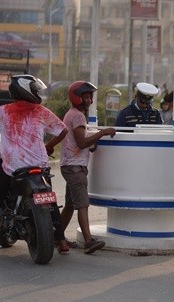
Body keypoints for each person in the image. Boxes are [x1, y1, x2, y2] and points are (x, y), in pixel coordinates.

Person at [0, 74, 69, 257]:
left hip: (12, 167)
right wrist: (49, 146)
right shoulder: (41, 111)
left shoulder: (3, 111)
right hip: (40, 167)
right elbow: (63, 130)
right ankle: (62, 242)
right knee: (49, 201)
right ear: (27, 90)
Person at [54, 81, 116, 254]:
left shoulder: (72, 114)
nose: (89, 100)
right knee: (82, 204)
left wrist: (91, 144)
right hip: (75, 167)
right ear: (77, 97)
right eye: (86, 96)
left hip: (70, 164)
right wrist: (102, 133)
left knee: (69, 204)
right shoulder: (78, 116)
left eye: (90, 97)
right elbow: (81, 142)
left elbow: (78, 141)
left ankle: (56, 236)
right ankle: (89, 242)